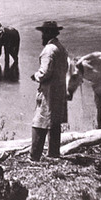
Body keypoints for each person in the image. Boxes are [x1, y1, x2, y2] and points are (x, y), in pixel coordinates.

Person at [30, 21, 69, 161]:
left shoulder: (48, 50)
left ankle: (34, 156)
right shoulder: (61, 48)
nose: (42, 37)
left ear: (48, 34)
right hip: (59, 89)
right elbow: (65, 68)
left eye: (43, 34)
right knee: (54, 122)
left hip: (48, 91)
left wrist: (35, 76)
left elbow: (45, 72)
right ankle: (53, 153)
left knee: (40, 121)